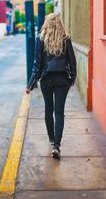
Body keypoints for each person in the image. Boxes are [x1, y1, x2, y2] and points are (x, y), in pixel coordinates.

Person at [26, 13, 77, 159]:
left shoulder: (40, 39)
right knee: (59, 112)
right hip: (62, 80)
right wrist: (71, 79)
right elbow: (72, 61)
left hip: (46, 80)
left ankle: (51, 138)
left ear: (46, 24)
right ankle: (56, 146)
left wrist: (30, 83)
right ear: (59, 24)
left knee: (49, 109)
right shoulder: (65, 39)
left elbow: (37, 64)